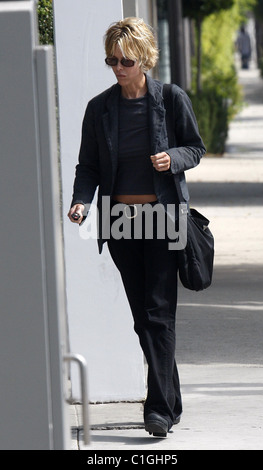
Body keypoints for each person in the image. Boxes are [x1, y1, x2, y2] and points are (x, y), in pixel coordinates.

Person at [68, 17, 206, 437]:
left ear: (143, 58)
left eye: (125, 60)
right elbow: (88, 164)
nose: (117, 67)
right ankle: (170, 400)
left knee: (159, 315)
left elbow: (195, 148)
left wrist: (173, 159)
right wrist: (81, 201)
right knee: (143, 320)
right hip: (122, 222)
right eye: (111, 60)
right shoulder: (100, 108)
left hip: (163, 219)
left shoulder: (170, 97)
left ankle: (158, 410)